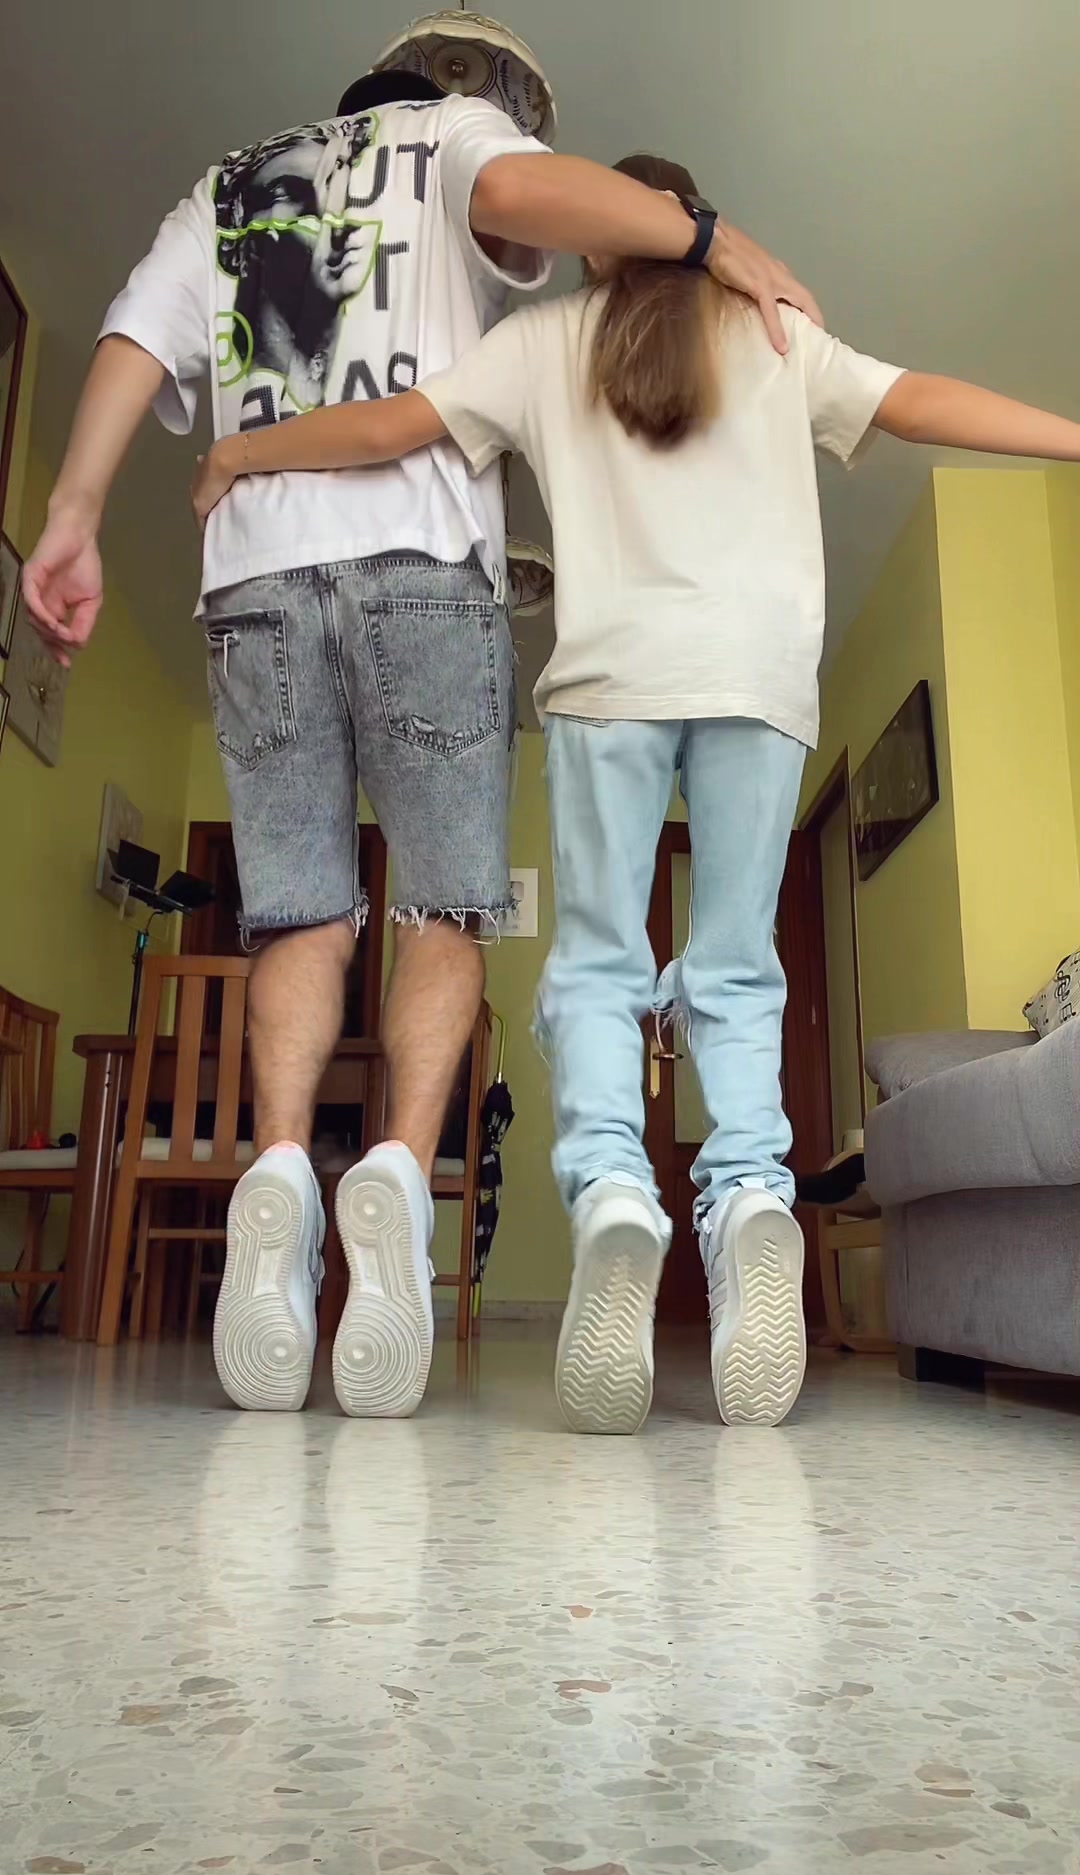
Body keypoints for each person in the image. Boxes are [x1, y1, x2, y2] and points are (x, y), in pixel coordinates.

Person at [190, 145, 1080, 1434]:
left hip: (611, 682)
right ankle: (752, 1195)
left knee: (602, 966)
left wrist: (244, 450)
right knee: (737, 968)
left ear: (601, 237)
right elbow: (919, 401)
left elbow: (386, 429)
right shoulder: (771, 331)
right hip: (758, 679)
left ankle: (615, 1191)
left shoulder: (543, 343)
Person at [23, 32, 819, 1423]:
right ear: (452, 96)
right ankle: (395, 1165)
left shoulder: (226, 186)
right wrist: (705, 238)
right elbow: (524, 195)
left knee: (297, 914)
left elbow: (130, 340)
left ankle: (281, 1166)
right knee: (444, 908)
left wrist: (74, 513)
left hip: (255, 573)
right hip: (424, 569)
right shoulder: (451, 137)